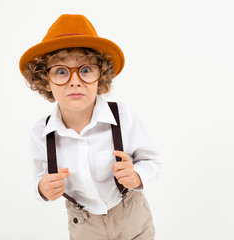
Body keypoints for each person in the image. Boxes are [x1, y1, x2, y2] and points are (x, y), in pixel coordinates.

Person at [19, 14, 160, 240]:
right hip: (84, 224)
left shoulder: (123, 116)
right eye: (61, 71)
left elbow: (152, 161)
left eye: (85, 70)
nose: (75, 81)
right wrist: (43, 189)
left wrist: (136, 176)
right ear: (45, 80)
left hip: (131, 214)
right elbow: (39, 176)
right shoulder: (41, 133)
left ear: (100, 76)